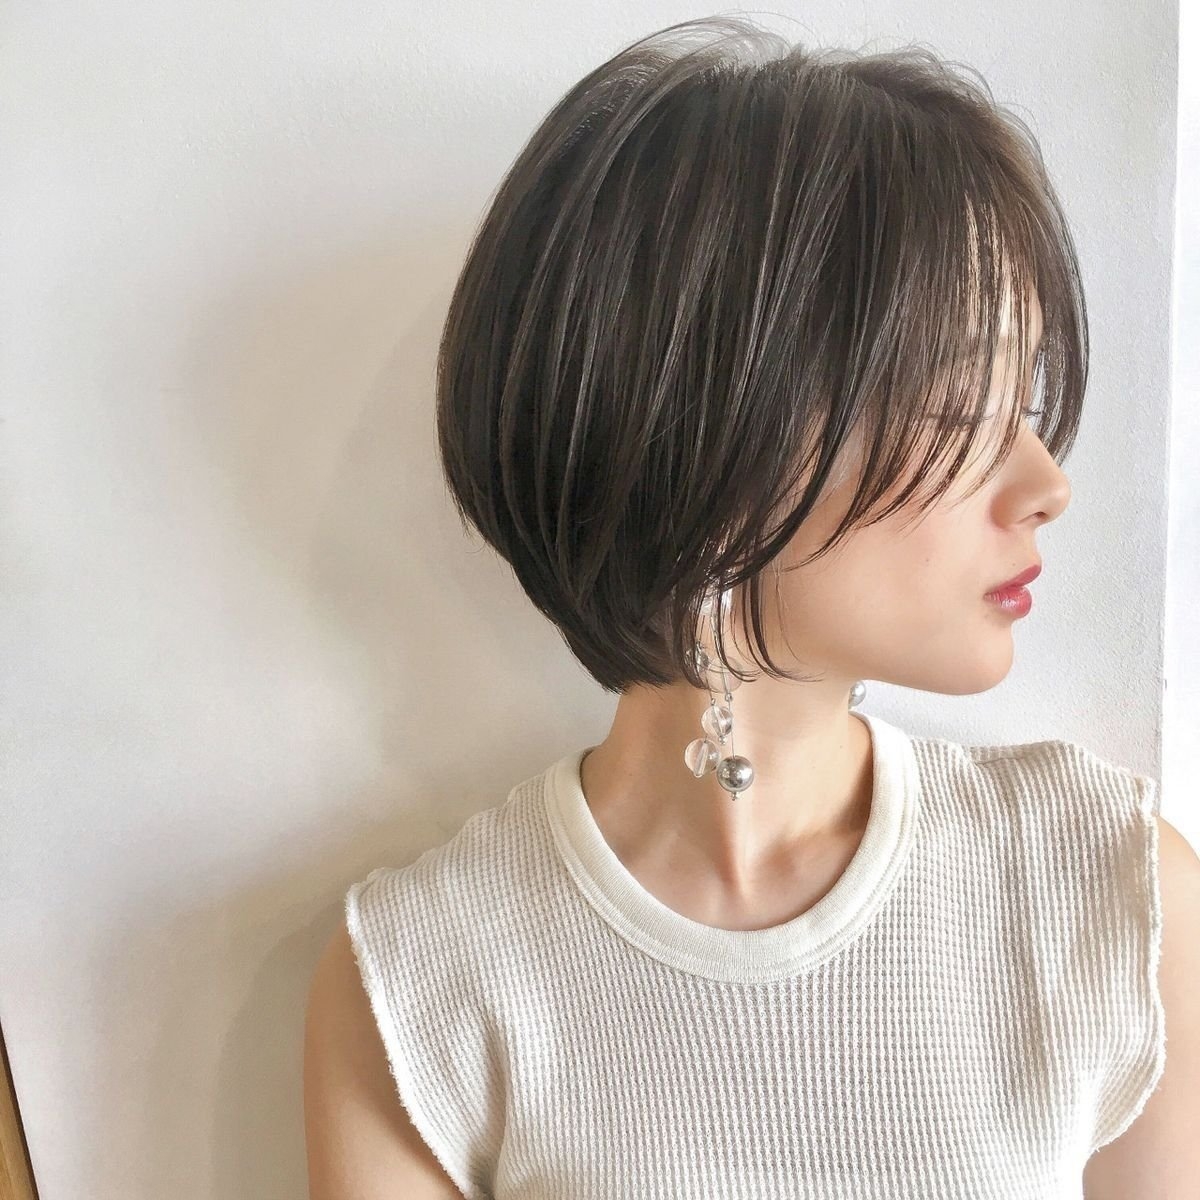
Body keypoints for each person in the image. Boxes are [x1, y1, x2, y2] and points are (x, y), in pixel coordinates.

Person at [303, 16, 1200, 1199]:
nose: (1045, 484)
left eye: (1025, 402)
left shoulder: (1105, 894)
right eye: (956, 406)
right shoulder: (420, 985)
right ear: (713, 441)